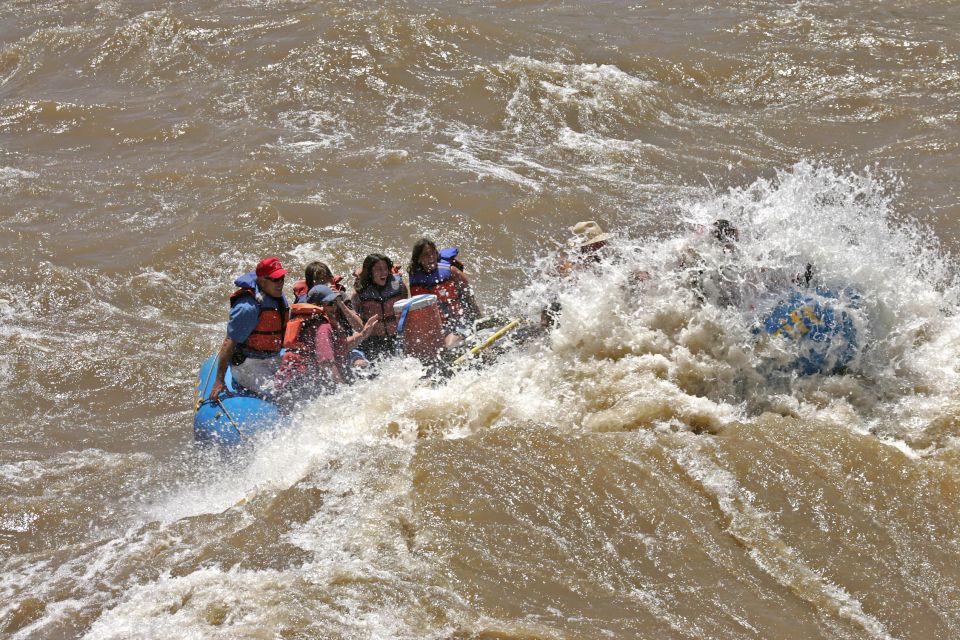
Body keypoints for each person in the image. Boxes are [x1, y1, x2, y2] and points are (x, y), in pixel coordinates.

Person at [208, 257, 290, 400]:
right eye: (275, 279)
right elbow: (229, 342)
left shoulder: (275, 295)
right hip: (248, 364)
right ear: (262, 281)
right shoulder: (248, 308)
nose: (280, 283)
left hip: (272, 357)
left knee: (299, 384)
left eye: (282, 278)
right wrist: (219, 380)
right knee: (283, 396)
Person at [407, 238, 482, 348]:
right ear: (418, 259)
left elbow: (468, 295)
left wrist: (478, 320)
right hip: (440, 326)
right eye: (426, 255)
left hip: (460, 320)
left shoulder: (451, 271)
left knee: (448, 345)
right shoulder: (415, 280)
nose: (431, 257)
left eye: (433, 253)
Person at [309, 284, 379, 380]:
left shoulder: (324, 323)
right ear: (318, 306)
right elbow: (326, 364)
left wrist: (363, 334)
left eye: (334, 303)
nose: (334, 307)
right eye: (330, 304)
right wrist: (342, 388)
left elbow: (341, 347)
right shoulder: (322, 328)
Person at [349, 253, 408, 360]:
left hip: (396, 338)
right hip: (371, 341)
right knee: (361, 366)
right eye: (379, 269)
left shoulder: (399, 286)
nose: (384, 272)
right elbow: (355, 318)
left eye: (386, 268)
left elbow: (406, 308)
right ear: (370, 272)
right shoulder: (358, 293)